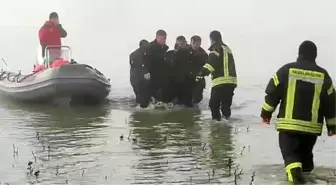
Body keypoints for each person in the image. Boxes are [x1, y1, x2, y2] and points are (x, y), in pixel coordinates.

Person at [260, 40, 336, 184]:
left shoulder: (285, 70)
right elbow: (331, 103)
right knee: (306, 156)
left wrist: (266, 114)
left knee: (291, 156)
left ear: (299, 54)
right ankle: (307, 178)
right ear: (315, 55)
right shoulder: (323, 75)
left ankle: (296, 178)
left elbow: (272, 95)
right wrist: (332, 126)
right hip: (311, 130)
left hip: (289, 126)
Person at [197, 30, 237, 121]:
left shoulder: (215, 48)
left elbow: (210, 64)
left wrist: (201, 74)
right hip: (232, 82)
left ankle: (217, 124)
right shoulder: (227, 49)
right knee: (225, 105)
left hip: (220, 82)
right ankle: (227, 126)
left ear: (212, 39)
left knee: (213, 104)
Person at [144, 30, 170, 104]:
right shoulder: (150, 47)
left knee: (162, 93)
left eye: (165, 38)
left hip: (162, 74)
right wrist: (146, 71)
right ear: (157, 37)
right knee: (153, 92)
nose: (163, 40)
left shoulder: (164, 47)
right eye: (161, 39)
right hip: (152, 74)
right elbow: (145, 60)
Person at [169, 36, 194, 107]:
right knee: (177, 102)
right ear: (177, 43)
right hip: (176, 80)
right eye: (179, 44)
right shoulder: (174, 52)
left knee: (187, 102)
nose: (181, 45)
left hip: (187, 79)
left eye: (182, 43)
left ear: (185, 42)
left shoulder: (190, 51)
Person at [129, 39, 151, 108]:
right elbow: (141, 64)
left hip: (134, 78)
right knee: (142, 98)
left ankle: (139, 112)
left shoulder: (133, 54)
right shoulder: (139, 54)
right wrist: (145, 72)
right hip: (137, 78)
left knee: (140, 96)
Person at [190, 35, 208, 104]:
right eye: (193, 43)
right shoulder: (185, 51)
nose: (195, 45)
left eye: (197, 44)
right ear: (190, 42)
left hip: (198, 80)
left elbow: (207, 66)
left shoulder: (203, 54)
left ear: (200, 44)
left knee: (197, 99)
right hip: (187, 79)